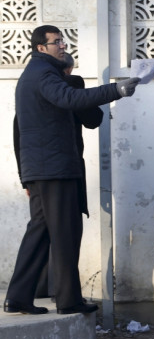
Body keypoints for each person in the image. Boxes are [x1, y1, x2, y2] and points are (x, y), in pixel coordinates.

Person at [4, 25, 139, 316]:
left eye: (62, 41)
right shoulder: (43, 74)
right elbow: (69, 100)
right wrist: (117, 89)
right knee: (65, 233)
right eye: (56, 42)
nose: (62, 46)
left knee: (39, 232)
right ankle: (68, 301)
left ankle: (17, 297)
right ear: (41, 47)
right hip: (54, 170)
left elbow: (84, 113)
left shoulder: (37, 74)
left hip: (44, 169)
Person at [12, 53, 103, 300]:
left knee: (44, 230)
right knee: (64, 232)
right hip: (60, 171)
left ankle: (31, 293)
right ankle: (64, 296)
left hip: (46, 171)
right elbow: (94, 119)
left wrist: (25, 177)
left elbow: (19, 133)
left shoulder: (39, 87)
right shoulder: (52, 87)